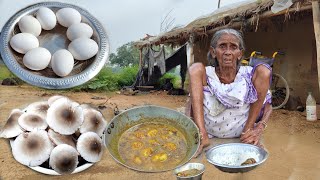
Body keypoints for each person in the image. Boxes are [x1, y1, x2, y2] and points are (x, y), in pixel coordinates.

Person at [186, 28, 272, 155]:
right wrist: (191, 127)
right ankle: (202, 135)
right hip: (209, 133)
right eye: (222, 46)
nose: (228, 52)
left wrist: (259, 127)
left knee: (264, 70)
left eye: (233, 47)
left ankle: (247, 131)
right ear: (213, 52)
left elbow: (268, 106)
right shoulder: (205, 74)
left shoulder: (248, 75)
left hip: (242, 135)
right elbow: (191, 102)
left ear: (240, 54)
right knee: (195, 67)